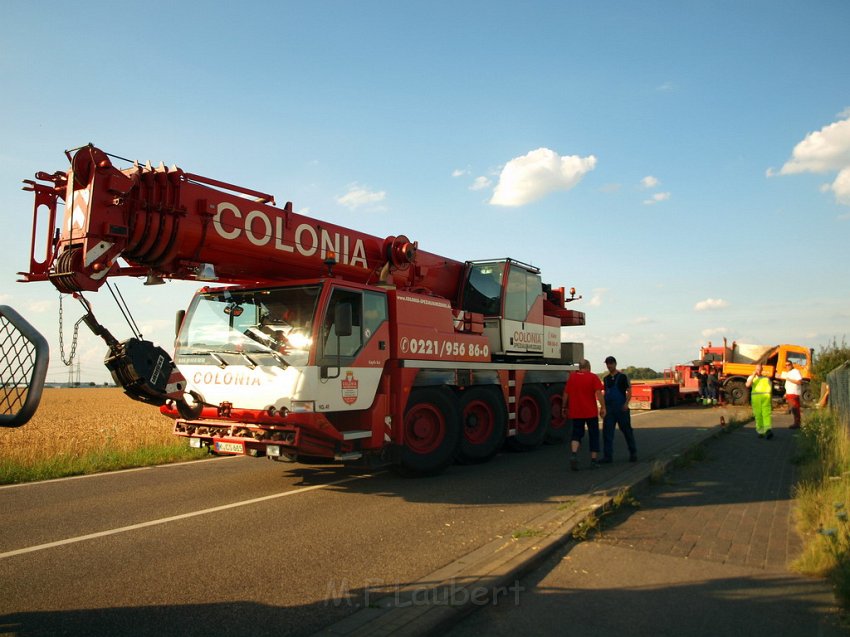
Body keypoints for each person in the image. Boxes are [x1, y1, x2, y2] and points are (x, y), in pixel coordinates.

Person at [562, 359, 606, 471]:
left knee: (576, 434)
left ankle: (574, 454)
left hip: (576, 412)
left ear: (579, 367)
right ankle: (593, 461)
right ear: (589, 366)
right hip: (590, 412)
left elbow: (566, 394)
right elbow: (598, 394)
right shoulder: (593, 377)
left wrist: (564, 407)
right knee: (593, 435)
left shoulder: (572, 378)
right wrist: (603, 407)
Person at [601, 356, 637, 463]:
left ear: (615, 364)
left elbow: (629, 391)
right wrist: (603, 408)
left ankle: (633, 453)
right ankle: (608, 457)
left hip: (621, 408)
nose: (609, 365)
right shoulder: (606, 379)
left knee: (627, 431)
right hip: (609, 409)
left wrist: (626, 403)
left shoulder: (622, 377)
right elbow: (605, 393)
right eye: (607, 363)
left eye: (611, 363)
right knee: (607, 433)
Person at [746, 364, 773, 439]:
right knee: (758, 415)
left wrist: (771, 400)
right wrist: (753, 376)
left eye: (760, 369)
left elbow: (770, 390)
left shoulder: (766, 379)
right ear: (755, 369)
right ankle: (761, 432)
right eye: (757, 369)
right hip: (756, 399)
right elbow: (747, 385)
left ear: (762, 370)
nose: (759, 371)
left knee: (766, 414)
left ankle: (767, 430)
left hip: (765, 399)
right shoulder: (751, 377)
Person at [781, 360, 803, 429]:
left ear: (792, 365)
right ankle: (796, 422)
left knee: (795, 408)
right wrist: (786, 393)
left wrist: (789, 379)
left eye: (789, 364)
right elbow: (788, 385)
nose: (787, 366)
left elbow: (799, 382)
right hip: (789, 393)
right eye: (786, 365)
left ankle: (797, 423)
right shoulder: (788, 373)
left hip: (794, 393)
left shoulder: (796, 372)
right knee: (793, 409)